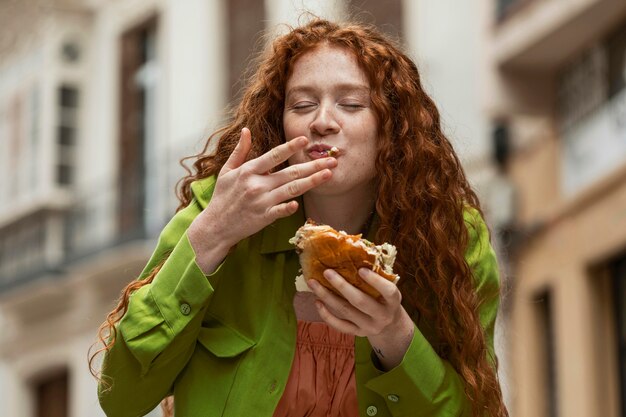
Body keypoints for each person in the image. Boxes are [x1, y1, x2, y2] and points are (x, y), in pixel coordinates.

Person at [90, 18, 508, 417]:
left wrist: (394, 333)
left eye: (352, 104)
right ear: (282, 125)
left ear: (391, 126)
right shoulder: (218, 210)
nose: (322, 121)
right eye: (303, 104)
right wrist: (211, 237)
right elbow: (122, 398)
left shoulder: (450, 238)